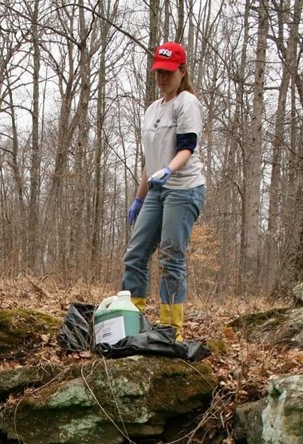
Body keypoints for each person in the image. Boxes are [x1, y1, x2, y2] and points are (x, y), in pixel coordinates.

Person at [122, 42, 205, 340]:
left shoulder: (187, 103)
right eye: (159, 72)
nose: (162, 78)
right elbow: (151, 160)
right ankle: (130, 321)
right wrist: (139, 196)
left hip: (183, 189)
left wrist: (170, 169)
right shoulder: (152, 109)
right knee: (135, 253)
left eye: (168, 72)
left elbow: (186, 149)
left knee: (170, 256)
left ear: (182, 71)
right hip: (156, 191)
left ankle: (171, 328)